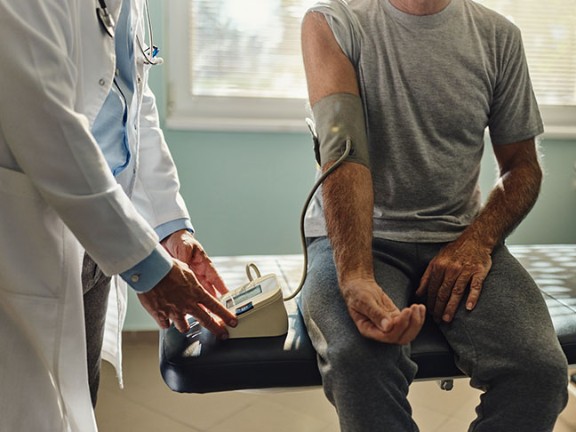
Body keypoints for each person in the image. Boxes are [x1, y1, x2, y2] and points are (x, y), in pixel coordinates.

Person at [299, 0, 569, 431]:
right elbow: (343, 152)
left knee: (539, 372)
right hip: (360, 240)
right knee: (360, 363)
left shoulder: (498, 37)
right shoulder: (333, 23)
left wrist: (477, 242)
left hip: (459, 238)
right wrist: (355, 275)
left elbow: (522, 167)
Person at [0, 0, 237, 431]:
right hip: (24, 232)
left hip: (98, 243)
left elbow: (130, 99)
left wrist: (169, 227)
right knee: (27, 410)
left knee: (78, 399)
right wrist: (144, 263)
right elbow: (47, 122)